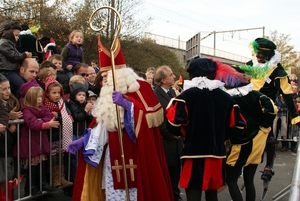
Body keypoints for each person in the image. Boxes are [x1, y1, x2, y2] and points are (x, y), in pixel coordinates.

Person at [67, 37, 173, 201]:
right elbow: (102, 127)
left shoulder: (140, 88)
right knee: (114, 195)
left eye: (107, 75)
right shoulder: (108, 93)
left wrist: (128, 105)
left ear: (120, 74)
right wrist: (83, 142)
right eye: (103, 75)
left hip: (137, 153)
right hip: (113, 155)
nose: (104, 79)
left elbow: (146, 123)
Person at [165, 58, 247, 201]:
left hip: (193, 154)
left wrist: (186, 133)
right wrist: (221, 136)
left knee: (193, 194)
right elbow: (239, 126)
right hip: (217, 154)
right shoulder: (226, 98)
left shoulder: (186, 97)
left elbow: (173, 126)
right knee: (212, 195)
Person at [213, 60, 277, 201]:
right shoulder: (257, 95)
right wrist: (263, 127)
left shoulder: (230, 97)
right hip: (257, 143)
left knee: (231, 180)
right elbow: (272, 109)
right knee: (249, 181)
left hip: (240, 144)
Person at [245, 37, 300, 181]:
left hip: (267, 108)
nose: (258, 57)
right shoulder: (251, 64)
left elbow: (287, 94)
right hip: (250, 105)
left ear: (269, 54)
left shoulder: (278, 70)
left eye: (261, 54)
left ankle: (269, 165)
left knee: (267, 133)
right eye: (257, 53)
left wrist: (295, 116)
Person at [13, 79, 59, 195]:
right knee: (32, 168)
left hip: (39, 140)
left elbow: (49, 115)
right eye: (37, 97)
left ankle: (42, 184)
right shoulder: (26, 109)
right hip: (30, 142)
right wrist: (46, 124)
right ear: (30, 97)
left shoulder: (41, 107)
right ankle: (31, 187)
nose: (40, 100)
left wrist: (43, 121)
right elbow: (32, 123)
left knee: (41, 165)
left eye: (40, 97)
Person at [154, 65, 183, 201]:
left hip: (177, 141)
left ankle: (175, 196)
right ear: (164, 79)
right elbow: (158, 120)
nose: (174, 77)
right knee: (167, 172)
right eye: (171, 75)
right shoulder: (155, 95)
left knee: (176, 173)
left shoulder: (172, 92)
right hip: (165, 142)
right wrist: (170, 134)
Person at [42, 76, 73, 188]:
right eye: (53, 93)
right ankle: (54, 178)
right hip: (50, 136)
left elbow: (65, 116)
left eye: (58, 93)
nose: (57, 95)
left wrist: (59, 115)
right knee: (52, 158)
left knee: (60, 156)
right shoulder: (45, 105)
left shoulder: (61, 104)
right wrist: (51, 115)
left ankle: (61, 177)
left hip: (60, 135)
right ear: (47, 93)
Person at [64, 82, 92, 196]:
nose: (82, 97)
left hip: (82, 134)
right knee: (73, 161)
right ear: (74, 95)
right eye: (79, 95)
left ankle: (80, 183)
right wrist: (85, 110)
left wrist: (89, 111)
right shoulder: (72, 104)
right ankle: (71, 184)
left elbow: (89, 119)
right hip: (74, 134)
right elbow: (78, 117)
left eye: (83, 95)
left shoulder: (84, 104)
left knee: (81, 159)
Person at [0, 20, 32, 95]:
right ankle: (18, 101)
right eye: (16, 35)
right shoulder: (4, 43)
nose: (18, 38)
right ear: (8, 34)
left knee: (16, 87)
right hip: (7, 71)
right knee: (23, 86)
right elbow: (14, 56)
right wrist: (24, 54)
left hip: (11, 70)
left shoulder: (10, 43)